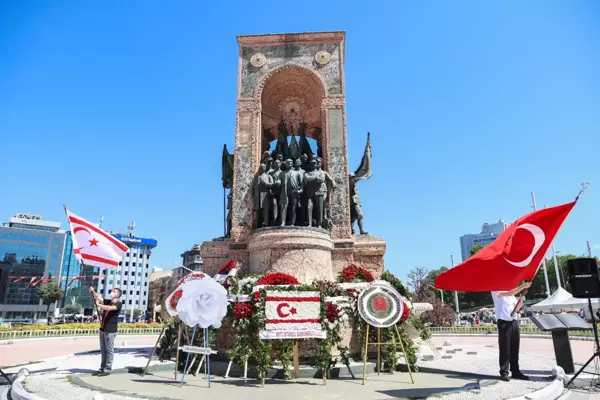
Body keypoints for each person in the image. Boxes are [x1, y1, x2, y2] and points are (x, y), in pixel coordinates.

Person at [491, 281, 531, 381]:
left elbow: (516, 309)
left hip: (514, 321)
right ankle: (504, 372)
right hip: (504, 321)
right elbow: (510, 293)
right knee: (505, 348)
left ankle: (516, 371)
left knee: (514, 347)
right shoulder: (495, 289)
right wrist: (523, 286)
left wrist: (521, 300)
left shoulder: (511, 295)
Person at [89, 286, 123, 376]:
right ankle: (102, 368)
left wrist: (98, 305)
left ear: (118, 294)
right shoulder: (108, 301)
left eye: (113, 291)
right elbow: (97, 297)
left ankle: (107, 369)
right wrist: (93, 291)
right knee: (103, 350)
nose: (111, 292)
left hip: (110, 330)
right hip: (103, 329)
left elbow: (108, 308)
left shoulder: (119, 304)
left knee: (109, 350)